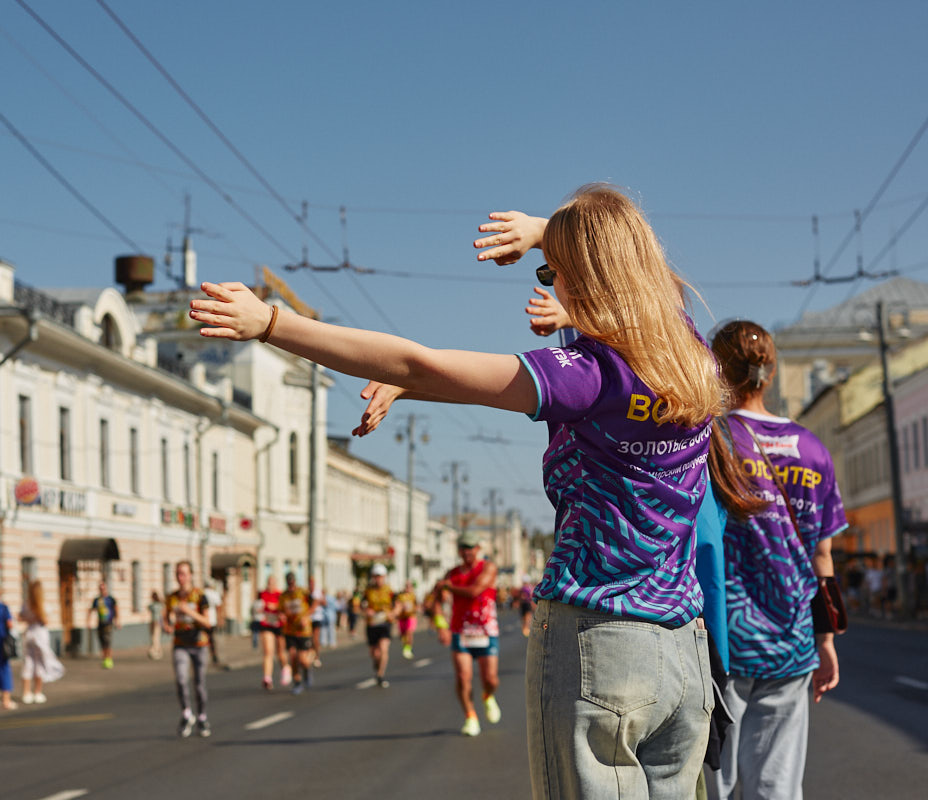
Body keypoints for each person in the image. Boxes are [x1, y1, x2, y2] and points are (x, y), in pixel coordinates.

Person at [192, 185, 724, 799]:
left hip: (599, 645)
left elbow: (418, 362)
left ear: (587, 278)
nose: (552, 286)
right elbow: (636, 266)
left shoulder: (586, 377)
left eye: (556, 273)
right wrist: (542, 230)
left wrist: (272, 323)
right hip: (684, 654)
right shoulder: (692, 357)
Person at [705, 320, 848, 800]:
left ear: (719, 369)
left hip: (722, 639)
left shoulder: (712, 440)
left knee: (713, 781)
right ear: (769, 372)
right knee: (777, 785)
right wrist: (825, 640)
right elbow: (822, 553)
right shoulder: (813, 449)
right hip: (792, 639)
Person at [438, 532, 501, 737]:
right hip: (461, 631)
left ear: (477, 549)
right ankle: (470, 716)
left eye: (471, 547)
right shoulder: (452, 574)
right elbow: (435, 600)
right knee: (463, 676)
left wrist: (449, 587)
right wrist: (441, 625)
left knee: (490, 679)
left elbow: (475, 591)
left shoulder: (488, 568)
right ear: (459, 550)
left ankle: (487, 696)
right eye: (463, 548)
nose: (467, 552)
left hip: (485, 630)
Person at [164, 560, 212, 737]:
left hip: (199, 643)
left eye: (183, 573)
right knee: (181, 679)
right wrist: (168, 625)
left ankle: (202, 717)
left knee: (199, 684)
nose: (180, 577)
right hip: (180, 644)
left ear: (191, 575)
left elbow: (207, 621)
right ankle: (186, 713)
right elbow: (167, 618)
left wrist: (189, 612)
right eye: (178, 573)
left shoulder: (200, 596)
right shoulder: (172, 597)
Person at [20, 579, 64, 704]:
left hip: (29, 633)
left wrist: (29, 618)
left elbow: (21, 616)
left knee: (28, 662)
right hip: (39, 633)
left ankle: (26, 692)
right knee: (40, 662)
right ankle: (37, 692)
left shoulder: (26, 604)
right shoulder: (42, 604)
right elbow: (45, 621)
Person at [279, 572, 315, 694]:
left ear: (295, 582)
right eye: (289, 583)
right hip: (290, 630)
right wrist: (282, 616)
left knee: (303, 659)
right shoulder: (284, 596)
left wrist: (306, 617)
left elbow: (314, 603)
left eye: (292, 582)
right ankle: (297, 682)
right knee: (293, 656)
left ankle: (307, 670)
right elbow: (280, 611)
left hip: (304, 630)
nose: (291, 585)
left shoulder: (302, 592)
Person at [362, 564, 397, 687]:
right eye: (376, 576)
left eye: (380, 576)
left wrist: (393, 613)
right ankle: (377, 666)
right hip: (372, 624)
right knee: (374, 654)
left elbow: (397, 605)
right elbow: (361, 604)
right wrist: (367, 611)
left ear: (384, 577)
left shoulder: (389, 590)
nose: (378, 579)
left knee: (383, 649)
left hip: (385, 624)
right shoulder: (368, 590)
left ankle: (380, 675)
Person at [255, 575, 285, 690]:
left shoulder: (280, 595)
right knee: (268, 651)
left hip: (278, 625)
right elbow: (258, 607)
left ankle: (285, 668)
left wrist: (276, 607)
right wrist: (259, 610)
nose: (270, 585)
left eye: (272, 583)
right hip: (267, 624)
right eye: (268, 582)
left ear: (276, 584)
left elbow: (284, 609)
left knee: (280, 653)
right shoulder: (262, 594)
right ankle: (267, 678)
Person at [87, 582, 120, 669]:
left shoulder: (110, 599)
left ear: (106, 589)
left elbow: (116, 610)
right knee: (102, 642)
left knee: (107, 642)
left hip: (108, 623)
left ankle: (109, 659)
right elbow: (91, 610)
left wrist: (117, 621)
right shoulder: (97, 600)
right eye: (100, 588)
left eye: (103, 588)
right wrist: (88, 622)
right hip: (100, 624)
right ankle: (105, 658)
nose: (102, 590)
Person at [395, 581, 418, 659]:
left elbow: (416, 605)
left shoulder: (413, 596)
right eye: (407, 586)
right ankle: (406, 646)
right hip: (402, 618)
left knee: (409, 632)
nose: (408, 588)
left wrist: (414, 609)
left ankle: (408, 649)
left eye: (410, 587)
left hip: (411, 617)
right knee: (403, 635)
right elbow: (397, 605)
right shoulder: (400, 596)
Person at [203, 580, 223, 667]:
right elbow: (218, 606)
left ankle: (205, 656)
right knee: (211, 639)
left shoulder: (202, 593)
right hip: (212, 619)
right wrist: (220, 618)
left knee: (204, 638)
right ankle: (213, 655)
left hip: (203, 620)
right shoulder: (214, 593)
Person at [309, 576, 326, 667]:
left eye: (312, 583)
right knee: (309, 638)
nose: (311, 585)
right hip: (309, 619)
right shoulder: (307, 592)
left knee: (315, 638)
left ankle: (317, 656)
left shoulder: (318, 592)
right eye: (310, 583)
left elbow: (324, 603)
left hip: (317, 617)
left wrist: (320, 601)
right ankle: (312, 654)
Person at [148, 590, 166, 659]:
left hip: (157, 622)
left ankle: (156, 651)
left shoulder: (156, 605)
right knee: (154, 636)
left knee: (155, 637)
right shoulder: (158, 604)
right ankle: (157, 650)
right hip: (154, 621)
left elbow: (163, 613)